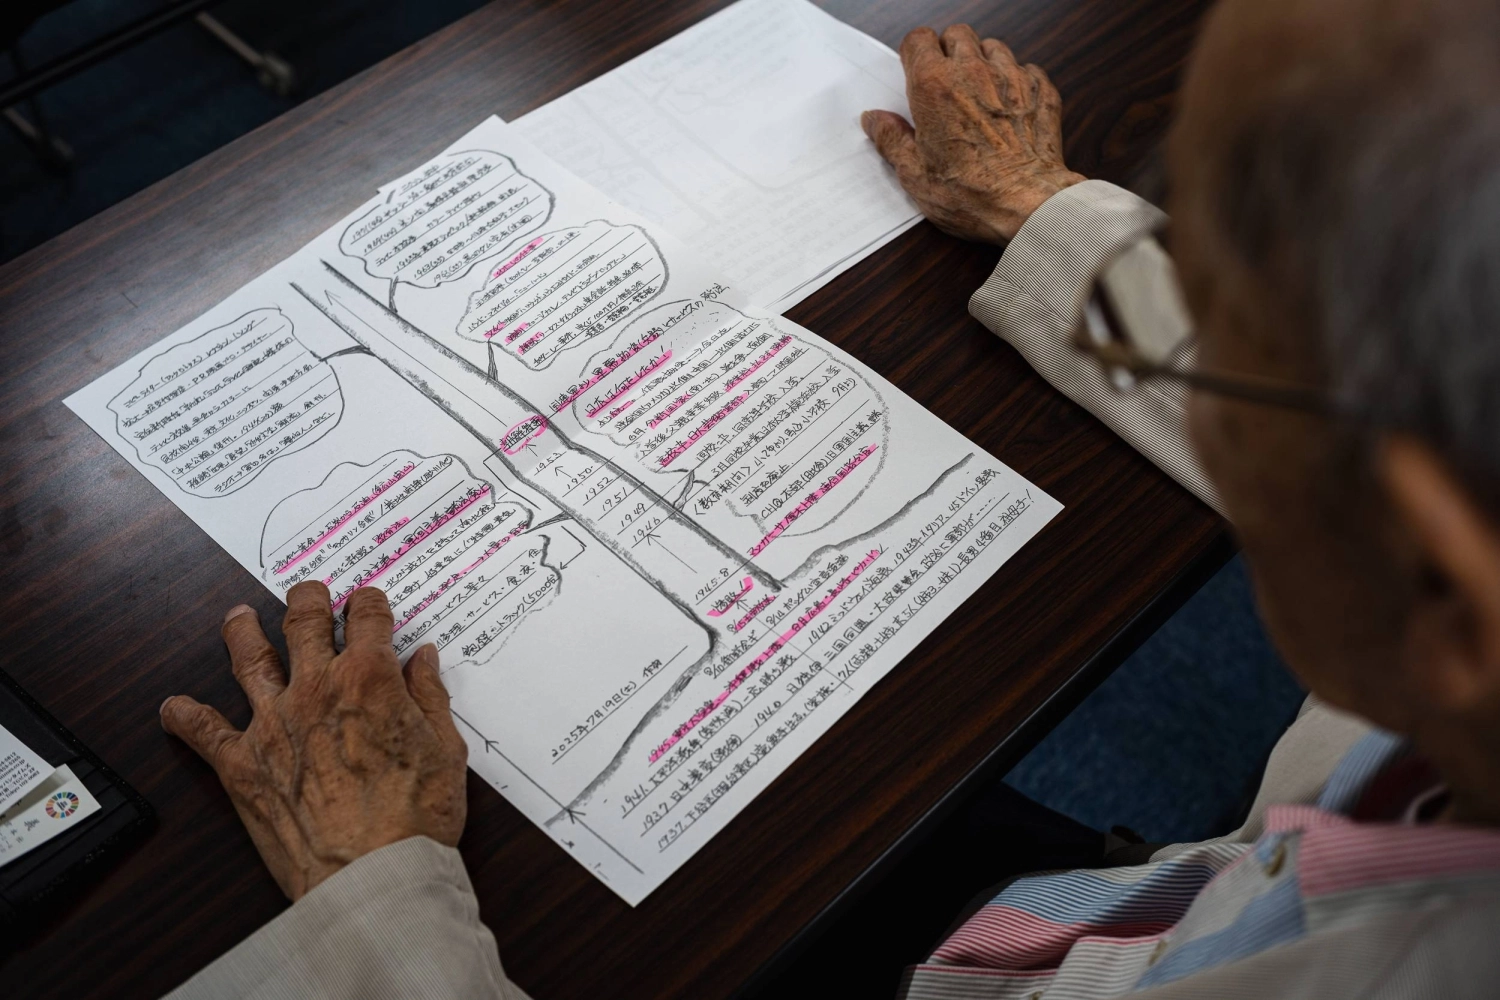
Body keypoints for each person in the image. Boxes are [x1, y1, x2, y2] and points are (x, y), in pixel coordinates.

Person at [159, 0, 1500, 995]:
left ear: (1435, 569)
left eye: (1241, 309)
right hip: (1156, 889)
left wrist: (378, 911)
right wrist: (1047, 210)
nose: (1202, 341)